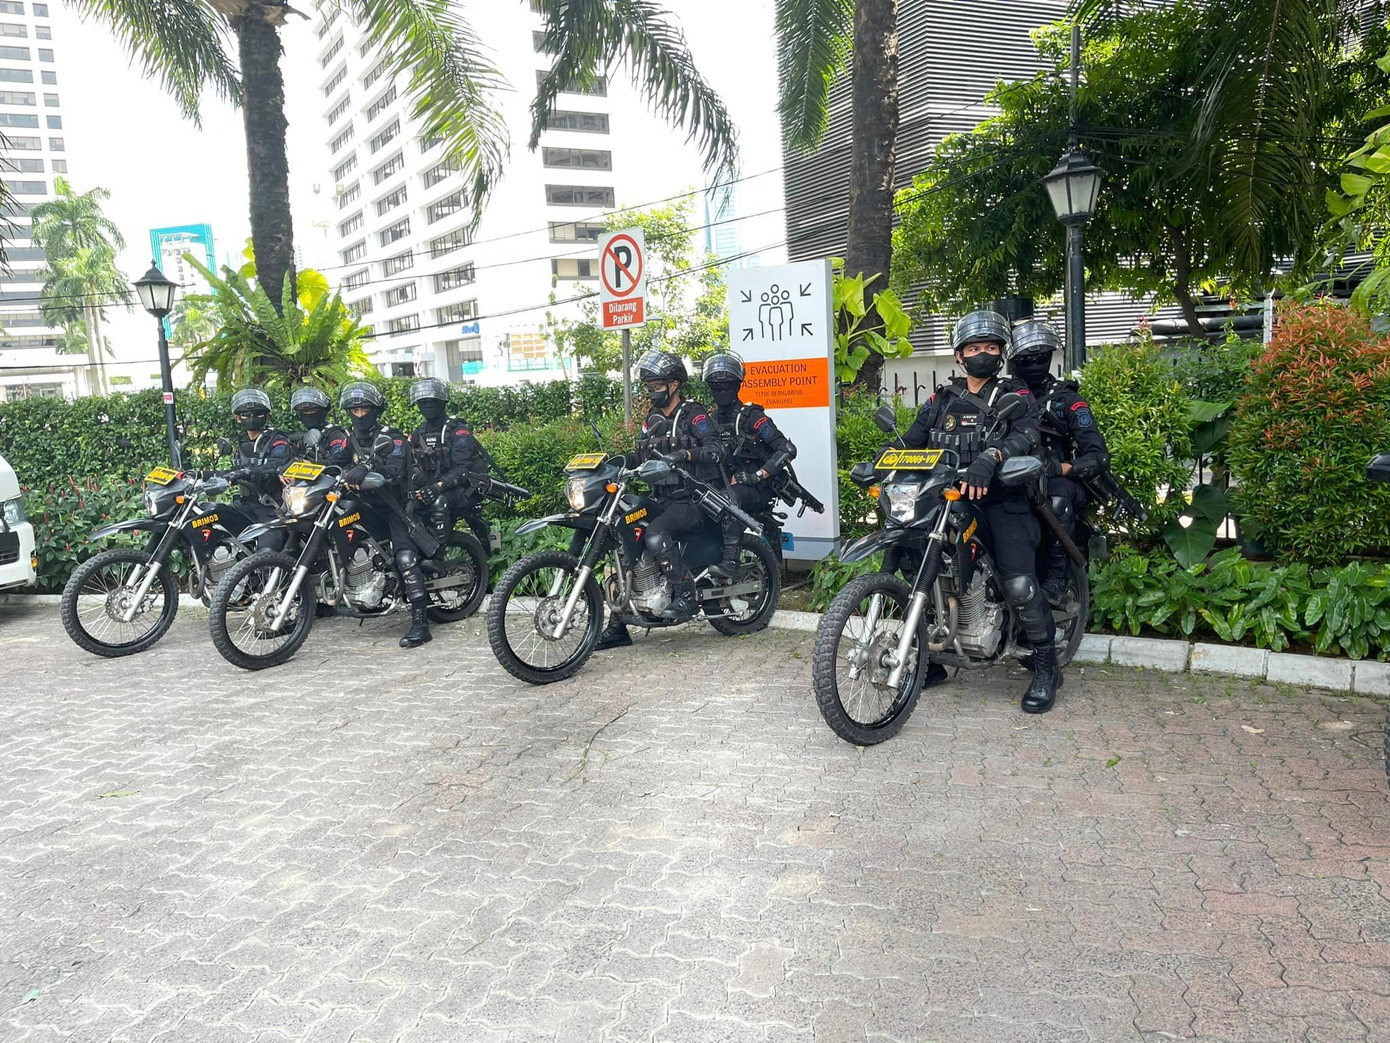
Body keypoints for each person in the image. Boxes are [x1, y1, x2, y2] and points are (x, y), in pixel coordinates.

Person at [900, 309, 1060, 714]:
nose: (982, 354)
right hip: (949, 499)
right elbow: (912, 442)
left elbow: (1028, 434)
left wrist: (993, 456)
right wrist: (882, 462)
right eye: (974, 348)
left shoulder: (1015, 395)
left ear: (1002, 353)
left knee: (1019, 583)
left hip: (1004, 501)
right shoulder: (941, 399)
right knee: (923, 569)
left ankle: (1045, 666)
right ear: (959, 355)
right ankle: (931, 658)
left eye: (990, 347)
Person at [597, 350, 726, 649]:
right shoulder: (652, 420)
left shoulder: (694, 415)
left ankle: (684, 594)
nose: (651, 391)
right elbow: (640, 454)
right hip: (661, 499)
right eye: (648, 386)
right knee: (625, 534)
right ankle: (619, 624)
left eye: (656, 385)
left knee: (655, 535)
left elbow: (716, 449)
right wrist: (614, 464)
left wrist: (685, 454)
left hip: (693, 499)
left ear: (674, 385)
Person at [1007, 319, 1109, 603]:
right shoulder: (1001, 396)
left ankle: (1056, 580)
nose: (1034, 364)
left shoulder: (1068, 400)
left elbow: (1098, 456)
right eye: (1026, 359)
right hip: (1012, 479)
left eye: (1041, 358)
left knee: (1056, 499)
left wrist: (1061, 468)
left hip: (1057, 480)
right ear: (1013, 361)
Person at [337, 381, 432, 649]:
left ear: (376, 410)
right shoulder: (350, 439)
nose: (359, 415)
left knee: (404, 556)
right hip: (365, 505)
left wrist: (367, 468)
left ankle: (420, 623)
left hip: (397, 506)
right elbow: (336, 463)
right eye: (353, 410)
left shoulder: (394, 437)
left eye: (364, 409)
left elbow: (394, 472)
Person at [701, 352, 797, 577]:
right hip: (725, 484)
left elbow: (786, 449)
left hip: (757, 487)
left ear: (737, 386)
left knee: (728, 501)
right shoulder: (709, 421)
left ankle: (730, 563)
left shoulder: (751, 417)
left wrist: (756, 476)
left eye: (727, 385)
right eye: (715, 386)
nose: (721, 391)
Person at [407, 377, 489, 547]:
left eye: (433, 401)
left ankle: (438, 553)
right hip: (434, 486)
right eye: (422, 402)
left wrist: (437, 487)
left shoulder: (459, 431)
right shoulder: (419, 433)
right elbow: (409, 464)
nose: (427, 405)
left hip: (465, 488)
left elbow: (462, 470)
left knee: (439, 503)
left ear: (443, 402)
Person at [229, 388, 292, 551]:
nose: (252, 418)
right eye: (246, 414)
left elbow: (275, 465)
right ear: (237, 418)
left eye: (258, 413)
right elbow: (230, 471)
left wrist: (249, 472)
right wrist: (200, 475)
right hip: (245, 505)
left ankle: (273, 575)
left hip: (272, 507)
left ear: (267, 415)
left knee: (266, 552)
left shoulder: (277, 441)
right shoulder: (242, 444)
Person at [288, 386, 349, 464]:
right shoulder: (304, 438)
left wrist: (316, 463)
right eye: (305, 411)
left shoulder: (334, 434)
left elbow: (340, 459)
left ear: (323, 411)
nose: (309, 414)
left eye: (313, 410)